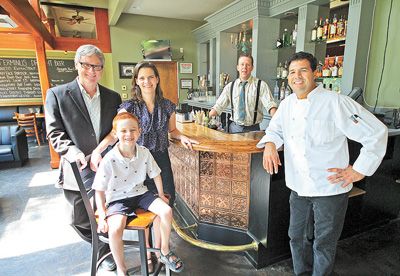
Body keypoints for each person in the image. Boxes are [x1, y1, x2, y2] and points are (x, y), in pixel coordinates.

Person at [258, 51, 388, 276]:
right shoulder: (287, 104)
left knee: (323, 243)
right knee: (296, 237)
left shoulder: (335, 102)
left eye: (303, 70)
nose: (296, 76)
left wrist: (358, 171)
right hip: (298, 188)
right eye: (292, 72)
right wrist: (270, 143)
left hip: (329, 188)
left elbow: (376, 132)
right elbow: (274, 129)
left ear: (315, 73)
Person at [90, 61, 197, 271]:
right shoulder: (129, 107)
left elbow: (172, 130)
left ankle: (161, 251)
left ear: (157, 79)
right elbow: (115, 133)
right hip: (136, 164)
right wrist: (97, 150)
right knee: (142, 210)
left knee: (162, 205)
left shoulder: (167, 105)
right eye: (142, 78)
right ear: (136, 82)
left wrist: (183, 137)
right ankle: (147, 253)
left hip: (160, 161)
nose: (146, 81)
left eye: (150, 77)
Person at [45, 44, 122, 271]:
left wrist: (103, 150)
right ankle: (98, 244)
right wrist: (73, 152)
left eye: (97, 66)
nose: (92, 71)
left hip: (105, 166)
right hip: (75, 167)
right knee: (76, 218)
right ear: (77, 65)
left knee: (104, 211)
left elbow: (116, 130)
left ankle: (106, 250)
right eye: (87, 65)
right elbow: (54, 132)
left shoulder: (113, 96)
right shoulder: (57, 94)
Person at [93, 112, 184, 276]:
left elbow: (156, 174)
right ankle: (122, 269)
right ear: (116, 133)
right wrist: (101, 211)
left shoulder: (143, 152)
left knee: (166, 210)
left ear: (139, 131)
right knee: (115, 229)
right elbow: (99, 189)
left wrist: (162, 195)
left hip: (141, 194)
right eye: (123, 131)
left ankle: (164, 250)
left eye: (133, 130)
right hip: (117, 199)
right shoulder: (109, 159)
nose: (129, 134)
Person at [209, 53, 277, 133]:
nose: (244, 67)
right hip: (234, 128)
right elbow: (218, 107)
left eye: (248, 65)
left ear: (252, 68)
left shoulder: (261, 85)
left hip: (253, 129)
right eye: (242, 64)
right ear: (238, 67)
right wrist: (205, 119)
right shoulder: (230, 87)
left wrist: (279, 123)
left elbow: (271, 105)